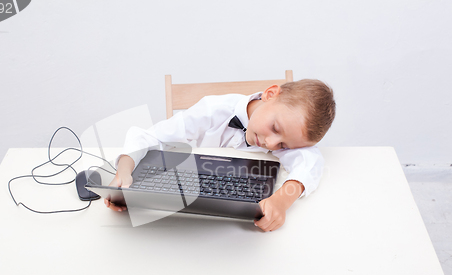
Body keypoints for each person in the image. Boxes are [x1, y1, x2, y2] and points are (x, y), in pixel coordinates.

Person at [105, 79, 336, 232]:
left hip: (235, 226)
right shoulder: (212, 110)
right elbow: (150, 136)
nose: (272, 143)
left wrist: (281, 201)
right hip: (187, 214)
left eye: (283, 143)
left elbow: (310, 162)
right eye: (275, 129)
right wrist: (124, 171)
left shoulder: (287, 132)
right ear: (270, 94)